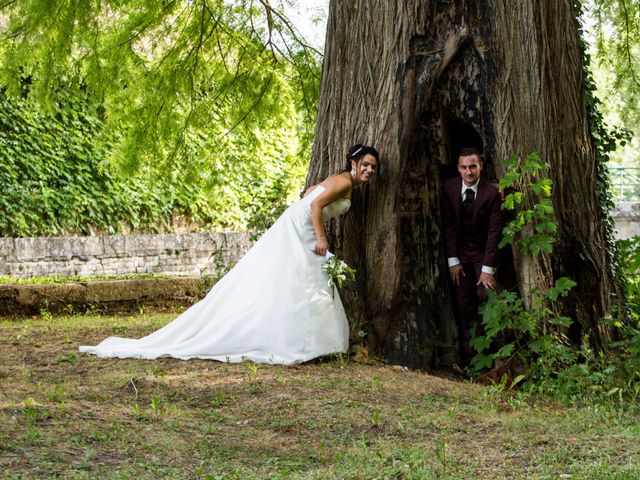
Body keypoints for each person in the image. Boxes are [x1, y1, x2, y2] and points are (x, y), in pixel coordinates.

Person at [80, 144, 379, 365]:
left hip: (294, 222)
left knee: (294, 278)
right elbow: (314, 205)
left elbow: (308, 195)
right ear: (353, 162)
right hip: (301, 228)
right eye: (365, 164)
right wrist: (321, 237)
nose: (368, 170)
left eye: (373, 167)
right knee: (302, 277)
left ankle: (303, 341)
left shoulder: (341, 179)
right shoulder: (343, 182)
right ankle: (301, 343)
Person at [442, 147, 502, 365]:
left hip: (483, 255)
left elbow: (495, 232)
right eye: (464, 167)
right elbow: (448, 226)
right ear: (458, 169)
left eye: (473, 167)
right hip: (459, 256)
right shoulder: (448, 188)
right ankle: (469, 361)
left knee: (487, 300)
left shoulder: (492, 192)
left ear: (481, 167)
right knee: (463, 304)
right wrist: (453, 260)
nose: (469, 172)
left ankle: (492, 356)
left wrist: (488, 269)